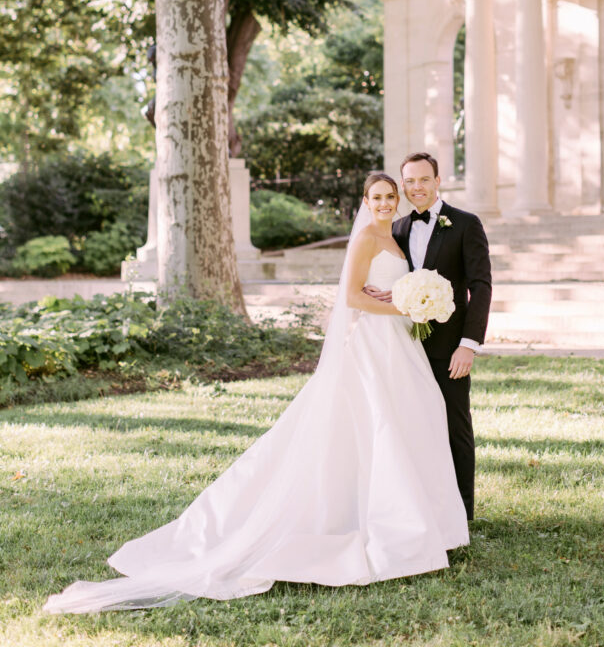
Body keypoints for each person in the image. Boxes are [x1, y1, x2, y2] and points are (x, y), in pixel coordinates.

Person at [43, 171, 468, 614]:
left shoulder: (396, 238)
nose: (383, 203)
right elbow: (352, 299)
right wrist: (400, 302)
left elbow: (384, 290)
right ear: (365, 200)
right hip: (373, 348)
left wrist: (412, 299)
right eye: (376, 197)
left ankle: (417, 525)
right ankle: (392, 532)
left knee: (408, 423)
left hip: (399, 346)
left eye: (389, 197)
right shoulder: (365, 238)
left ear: (397, 201)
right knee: (378, 429)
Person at [365, 153, 492, 520]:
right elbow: (400, 279)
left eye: (423, 180)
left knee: (455, 426)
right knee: (411, 427)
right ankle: (422, 507)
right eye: (409, 181)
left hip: (449, 347)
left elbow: (481, 287)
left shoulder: (467, 224)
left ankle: (462, 514)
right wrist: (391, 295)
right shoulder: (398, 227)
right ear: (402, 184)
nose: (416, 187)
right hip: (404, 345)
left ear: (438, 181)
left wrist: (468, 344)